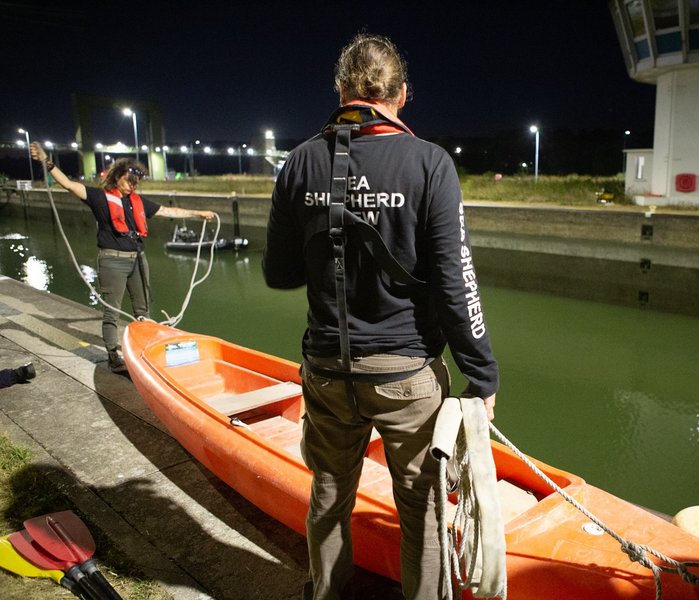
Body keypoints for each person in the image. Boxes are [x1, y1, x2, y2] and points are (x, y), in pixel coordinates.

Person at [263, 34, 499, 600]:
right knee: (420, 508)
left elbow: (277, 272)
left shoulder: (299, 161)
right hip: (406, 376)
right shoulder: (429, 163)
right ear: (402, 94)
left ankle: (325, 592)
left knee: (328, 490)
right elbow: (454, 281)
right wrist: (482, 375)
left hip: (325, 370)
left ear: (341, 90)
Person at [29, 143, 214, 372]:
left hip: (138, 259)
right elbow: (67, 183)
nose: (131, 186)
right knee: (112, 310)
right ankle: (112, 354)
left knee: (143, 310)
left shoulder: (138, 202)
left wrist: (198, 213)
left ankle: (144, 348)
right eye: (128, 181)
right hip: (112, 260)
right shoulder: (98, 197)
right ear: (117, 177)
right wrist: (46, 161)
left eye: (135, 183)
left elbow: (167, 211)